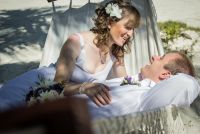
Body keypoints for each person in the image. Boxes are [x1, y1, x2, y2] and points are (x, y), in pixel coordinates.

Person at [0, 0, 141, 111]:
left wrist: (142, 82)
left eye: (133, 29)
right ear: (110, 23)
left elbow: (123, 82)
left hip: (49, 104)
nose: (131, 34)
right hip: (34, 87)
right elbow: (57, 86)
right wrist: (84, 87)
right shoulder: (76, 42)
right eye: (128, 27)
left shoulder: (117, 52)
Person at [88, 51, 199, 119]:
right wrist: (119, 63)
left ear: (165, 74)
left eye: (160, 58)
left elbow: (188, 84)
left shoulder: (147, 99)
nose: (153, 56)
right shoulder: (140, 82)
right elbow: (126, 82)